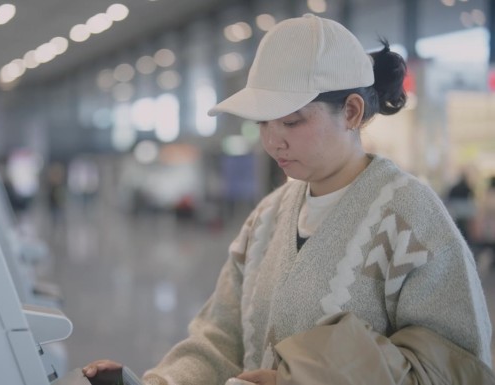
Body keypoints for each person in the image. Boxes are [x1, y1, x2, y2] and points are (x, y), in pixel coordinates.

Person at [83, 14, 494, 385]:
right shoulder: (266, 218)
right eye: (264, 122)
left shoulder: (411, 219)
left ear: (351, 112)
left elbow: (454, 368)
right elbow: (220, 339)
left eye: (292, 121)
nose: (273, 140)